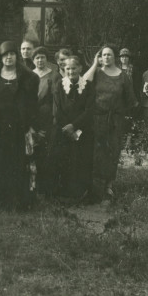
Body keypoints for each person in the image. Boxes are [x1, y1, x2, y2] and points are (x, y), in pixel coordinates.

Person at [0, 41, 37, 210]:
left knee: (15, 163)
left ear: (16, 57)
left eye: (12, 54)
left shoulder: (27, 78)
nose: (9, 58)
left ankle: (15, 201)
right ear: (0, 58)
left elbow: (33, 104)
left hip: (18, 129)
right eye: (5, 55)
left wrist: (31, 126)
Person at [86, 45, 136, 201]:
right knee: (96, 151)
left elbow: (131, 100)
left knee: (112, 151)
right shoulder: (97, 73)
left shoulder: (123, 76)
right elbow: (83, 83)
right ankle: (94, 187)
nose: (106, 57)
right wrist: (94, 64)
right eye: (104, 55)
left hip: (115, 120)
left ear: (115, 57)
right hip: (97, 118)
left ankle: (109, 186)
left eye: (109, 55)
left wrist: (123, 116)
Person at [50, 54, 94, 201]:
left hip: (82, 131)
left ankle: (78, 194)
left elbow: (89, 110)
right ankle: (61, 193)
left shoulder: (88, 86)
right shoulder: (59, 85)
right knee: (62, 159)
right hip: (62, 130)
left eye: (74, 68)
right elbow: (57, 109)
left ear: (80, 68)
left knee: (79, 161)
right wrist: (67, 128)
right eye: (67, 68)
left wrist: (75, 126)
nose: (71, 71)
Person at [30, 46, 60, 196]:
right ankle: (32, 185)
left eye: (42, 57)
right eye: (37, 58)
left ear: (46, 59)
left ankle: (46, 188)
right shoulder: (30, 75)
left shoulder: (54, 75)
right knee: (33, 149)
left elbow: (56, 99)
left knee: (47, 150)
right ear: (33, 60)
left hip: (47, 117)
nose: (40, 60)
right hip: (32, 117)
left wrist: (54, 117)